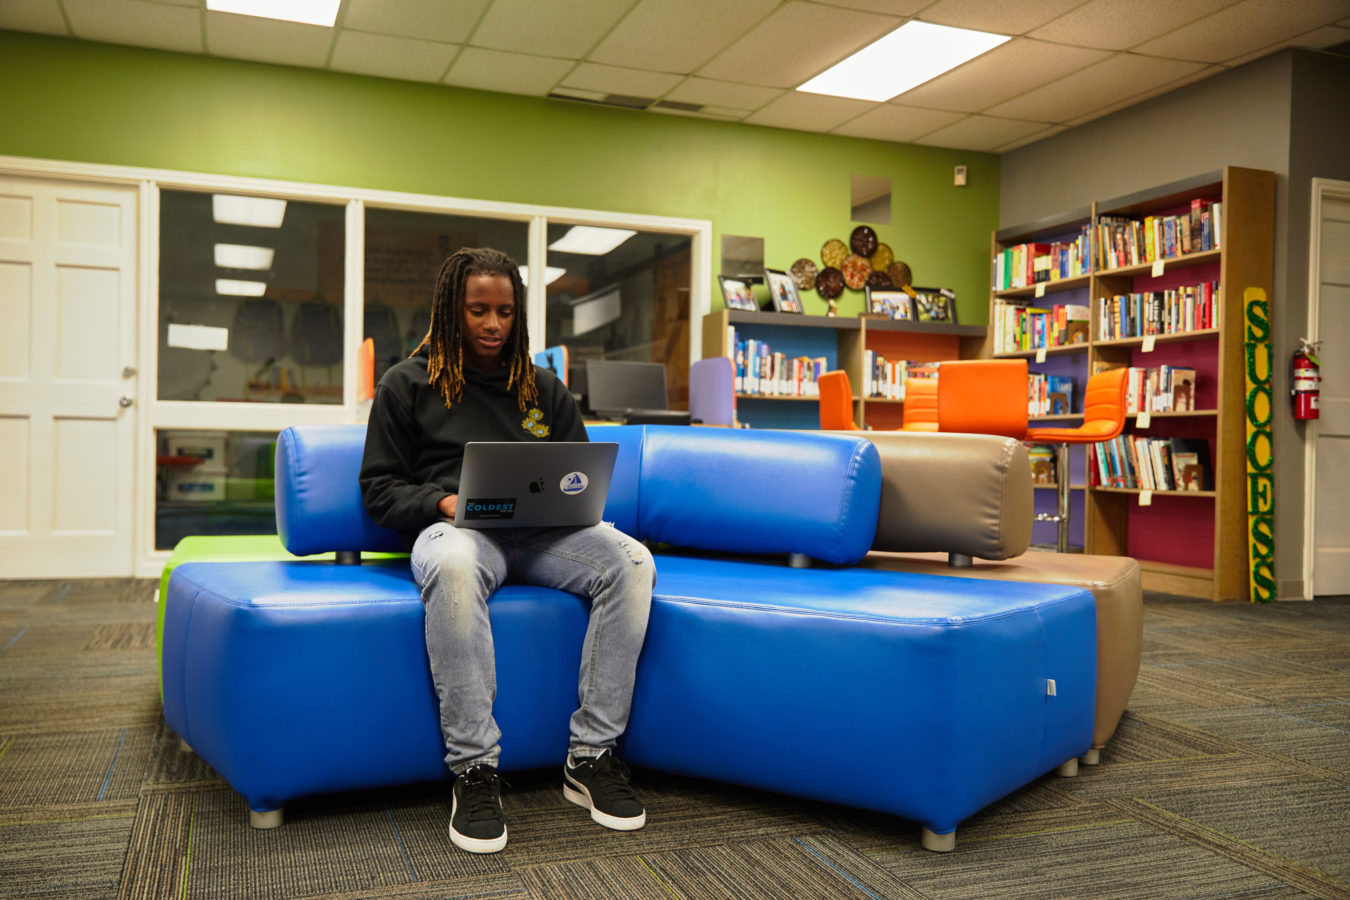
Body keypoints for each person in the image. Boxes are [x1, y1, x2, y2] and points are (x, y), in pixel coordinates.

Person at [359, 247, 655, 854]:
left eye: (504, 311)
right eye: (477, 311)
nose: (493, 324)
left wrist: (577, 505)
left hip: (548, 537)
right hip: (461, 533)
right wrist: (446, 504)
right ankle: (474, 768)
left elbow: (579, 477)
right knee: (454, 563)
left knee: (632, 560)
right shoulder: (405, 384)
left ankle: (591, 758)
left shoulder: (544, 388)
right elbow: (379, 490)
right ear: (450, 312)